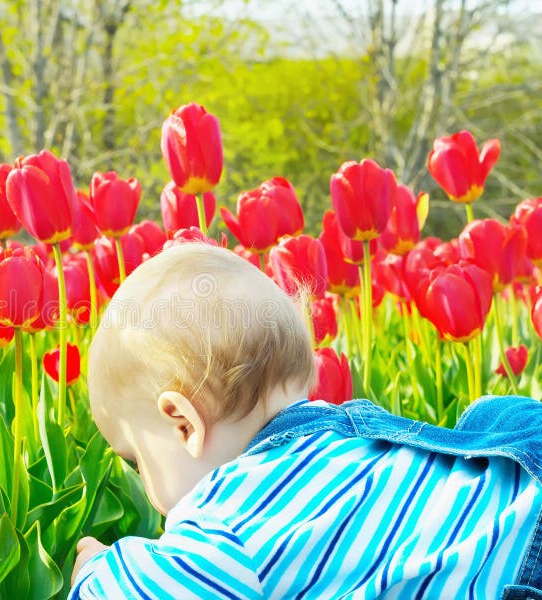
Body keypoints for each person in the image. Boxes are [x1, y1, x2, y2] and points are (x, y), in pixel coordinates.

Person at [69, 242, 542, 599]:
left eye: (136, 460)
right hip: (522, 485)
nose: (145, 487)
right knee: (489, 420)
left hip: (515, 579)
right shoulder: (350, 433)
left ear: (183, 424)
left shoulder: (225, 523)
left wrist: (96, 571)